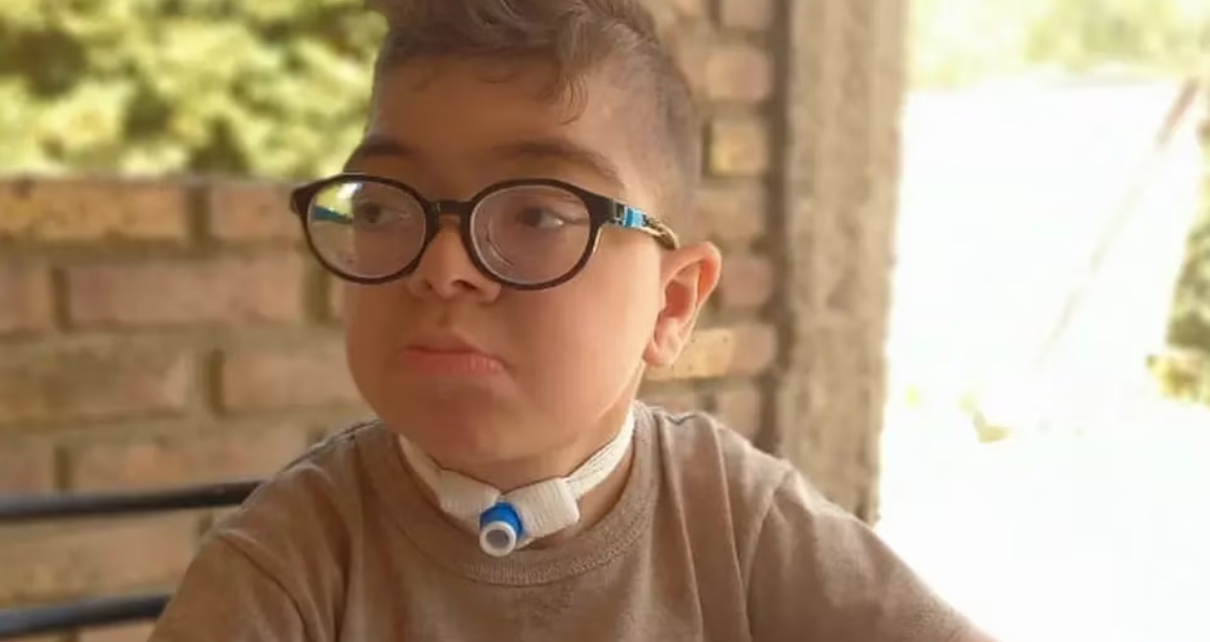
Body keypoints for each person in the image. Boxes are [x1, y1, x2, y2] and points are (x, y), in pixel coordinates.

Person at [150, 1, 997, 640]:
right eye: (383, 209)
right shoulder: (288, 565)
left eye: (537, 215)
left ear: (671, 304)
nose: (441, 267)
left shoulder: (737, 521)